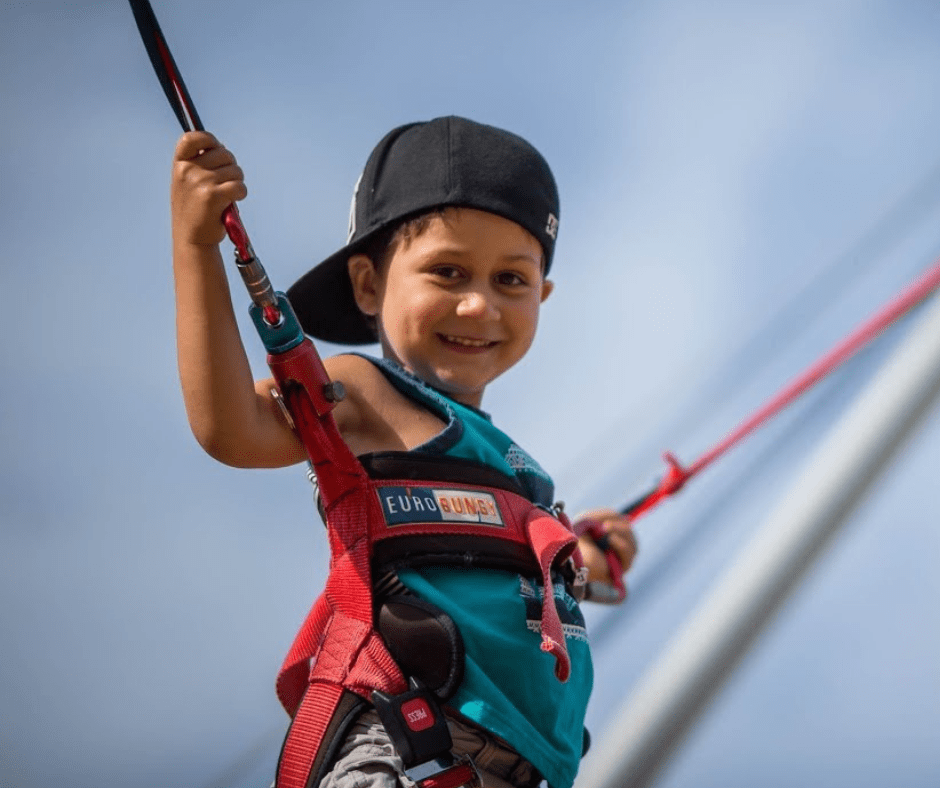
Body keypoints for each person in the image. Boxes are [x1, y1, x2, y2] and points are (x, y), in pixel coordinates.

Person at [170, 115, 637, 788]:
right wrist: (196, 245)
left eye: (511, 280)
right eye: (447, 271)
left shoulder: (519, 473)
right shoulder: (365, 395)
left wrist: (588, 555)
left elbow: (504, 579)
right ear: (368, 285)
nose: (479, 304)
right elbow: (232, 427)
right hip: (411, 752)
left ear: (544, 294)